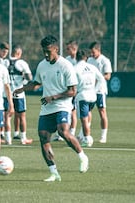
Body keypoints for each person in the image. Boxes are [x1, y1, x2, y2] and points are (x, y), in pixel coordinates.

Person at [13, 35, 89, 182]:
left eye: (48, 51)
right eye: (44, 51)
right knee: (43, 137)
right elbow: (36, 83)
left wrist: (54, 97)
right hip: (47, 107)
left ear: (56, 49)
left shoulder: (66, 66)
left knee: (63, 131)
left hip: (63, 104)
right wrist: (22, 89)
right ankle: (54, 173)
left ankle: (82, 156)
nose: (46, 54)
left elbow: (73, 91)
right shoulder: (42, 65)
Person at [75, 49, 107, 147]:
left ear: (76, 58)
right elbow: (101, 79)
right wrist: (94, 89)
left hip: (82, 95)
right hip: (92, 96)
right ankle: (82, 136)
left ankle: (87, 138)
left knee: (84, 119)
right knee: (88, 115)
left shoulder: (75, 68)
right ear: (86, 58)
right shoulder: (92, 67)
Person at [3, 44, 33, 145]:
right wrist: (24, 79)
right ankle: (23, 139)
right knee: (22, 116)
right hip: (18, 93)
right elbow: (30, 78)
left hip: (6, 93)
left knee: (7, 116)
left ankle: (8, 139)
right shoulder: (22, 63)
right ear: (19, 53)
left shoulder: (5, 62)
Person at [87, 41, 112, 143]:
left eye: (93, 52)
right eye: (91, 52)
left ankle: (103, 136)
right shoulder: (89, 60)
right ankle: (86, 134)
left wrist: (97, 78)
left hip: (100, 90)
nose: (92, 54)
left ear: (98, 50)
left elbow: (108, 76)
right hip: (90, 90)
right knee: (87, 112)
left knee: (102, 112)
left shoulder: (105, 60)